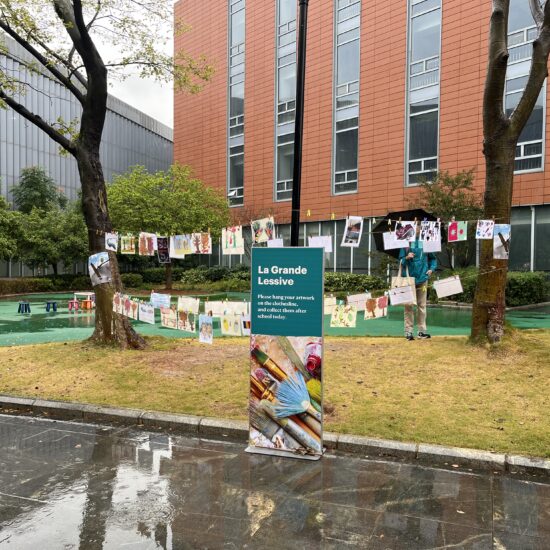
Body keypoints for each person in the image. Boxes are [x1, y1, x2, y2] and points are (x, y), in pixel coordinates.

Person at [398, 224, 437, 341]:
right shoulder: (405, 243)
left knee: (422, 306)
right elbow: (400, 261)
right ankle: (408, 332)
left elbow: (433, 258)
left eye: (419, 226)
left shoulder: (426, 242)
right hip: (409, 279)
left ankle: (421, 331)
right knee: (409, 305)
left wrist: (431, 269)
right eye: (416, 226)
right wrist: (406, 257)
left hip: (423, 278)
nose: (418, 229)